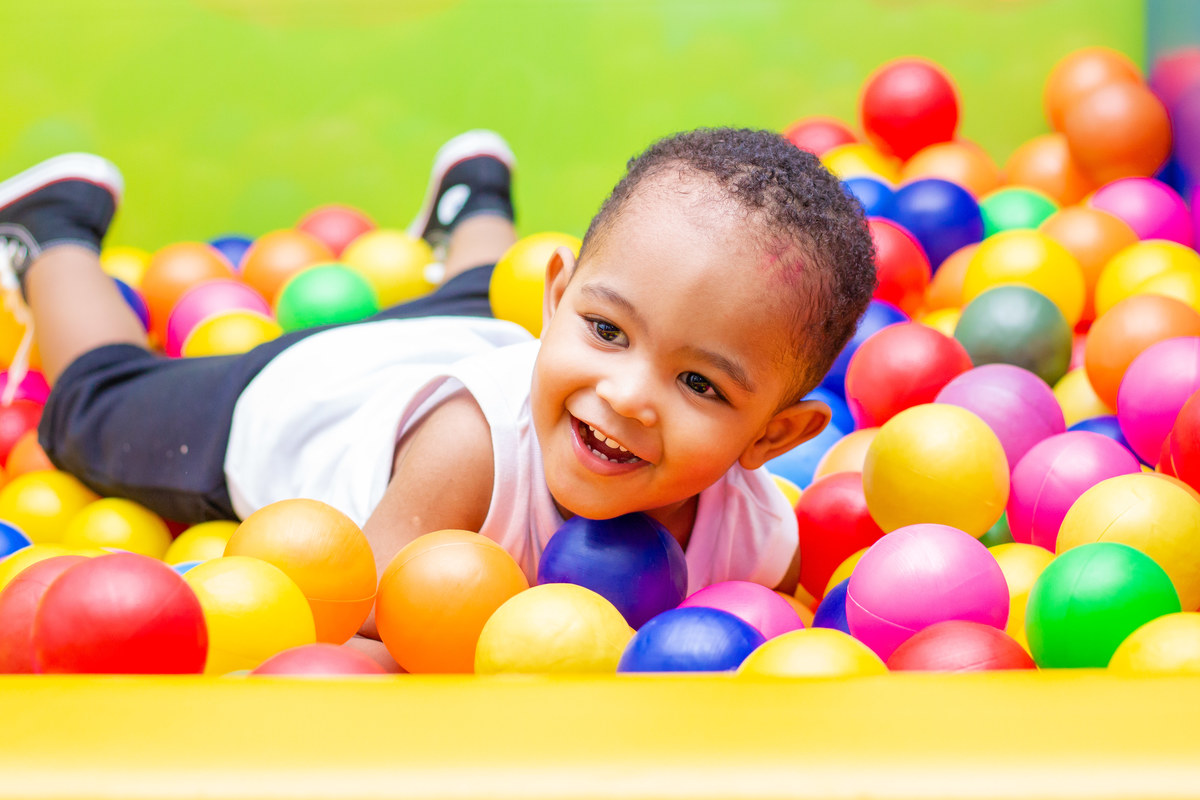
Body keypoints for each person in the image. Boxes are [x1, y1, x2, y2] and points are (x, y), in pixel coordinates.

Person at [0, 127, 875, 665]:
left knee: (471, 295)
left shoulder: (760, 535)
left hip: (474, 339)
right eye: (606, 330)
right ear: (557, 299)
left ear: (774, 436)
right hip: (297, 399)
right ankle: (53, 229)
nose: (627, 396)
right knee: (94, 407)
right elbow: (352, 635)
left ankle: (476, 195)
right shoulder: (468, 455)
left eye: (698, 383)